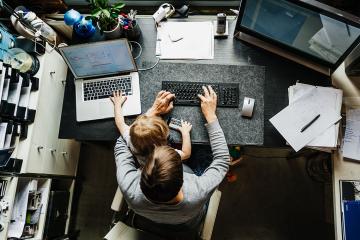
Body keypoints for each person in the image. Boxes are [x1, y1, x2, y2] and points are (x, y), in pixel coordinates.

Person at [114, 86, 230, 237]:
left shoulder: (128, 187)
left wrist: (151, 114)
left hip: (149, 219)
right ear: (183, 177)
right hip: (188, 224)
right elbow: (222, 160)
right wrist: (211, 116)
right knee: (204, 153)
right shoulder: (198, 191)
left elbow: (122, 142)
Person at [110, 90, 192, 167]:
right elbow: (186, 154)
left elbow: (120, 123)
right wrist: (185, 133)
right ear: (163, 140)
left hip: (144, 165)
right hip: (162, 165)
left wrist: (117, 104)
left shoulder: (131, 140)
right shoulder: (164, 155)